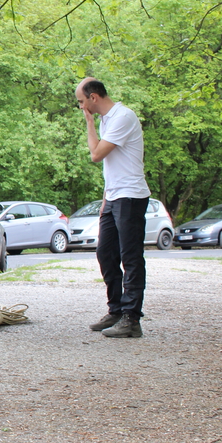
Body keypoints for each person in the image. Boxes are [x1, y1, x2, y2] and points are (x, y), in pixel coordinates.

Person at [76, 77, 150, 338]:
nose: (81, 107)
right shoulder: (107, 119)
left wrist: (89, 124)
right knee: (106, 253)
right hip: (114, 196)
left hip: (130, 196)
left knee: (130, 257)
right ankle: (116, 310)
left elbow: (96, 155)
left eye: (81, 102)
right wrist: (105, 200)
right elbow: (112, 167)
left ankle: (132, 319)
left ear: (93, 97)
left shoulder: (122, 117)